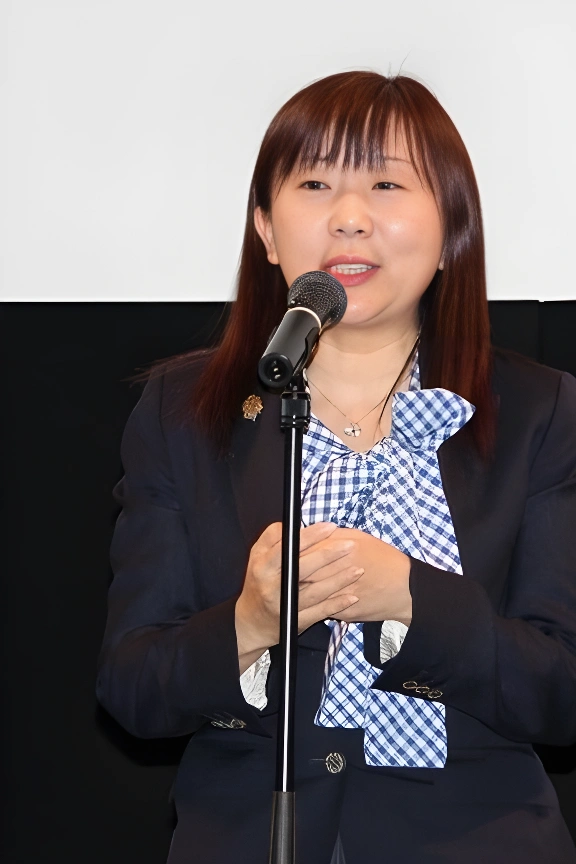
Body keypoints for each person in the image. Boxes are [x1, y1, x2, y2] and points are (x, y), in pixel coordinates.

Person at [96, 71, 576, 863]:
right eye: (315, 183)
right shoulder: (182, 412)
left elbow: (562, 689)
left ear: (452, 226)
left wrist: (413, 601)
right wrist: (249, 623)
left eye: (387, 184)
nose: (350, 217)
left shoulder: (539, 411)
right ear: (266, 229)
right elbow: (132, 688)